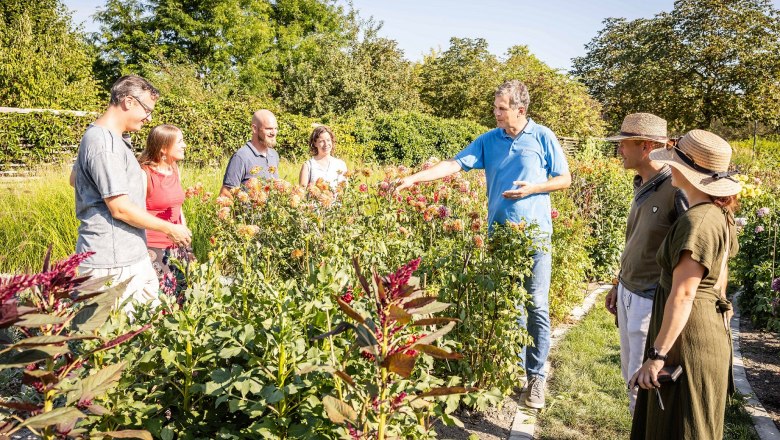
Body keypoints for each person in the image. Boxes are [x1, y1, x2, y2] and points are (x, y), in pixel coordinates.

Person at [395, 79, 571, 409]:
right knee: (511, 306)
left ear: (521, 109)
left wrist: (532, 189)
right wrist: (414, 178)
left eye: (501, 109)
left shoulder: (543, 136)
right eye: (495, 107)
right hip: (500, 237)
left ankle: (536, 378)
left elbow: (564, 178)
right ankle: (516, 371)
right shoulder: (489, 140)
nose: (496, 113)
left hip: (535, 238)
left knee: (536, 303)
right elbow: (454, 164)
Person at [629, 129, 741, 439]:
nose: (669, 167)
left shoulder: (697, 222)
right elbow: (720, 277)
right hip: (703, 329)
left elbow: (683, 295)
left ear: (687, 171)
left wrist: (657, 356)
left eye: (674, 161)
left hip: (688, 339)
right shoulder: (717, 214)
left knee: (681, 425)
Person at [71, 75, 192, 315]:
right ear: (128, 102)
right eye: (147, 109)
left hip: (131, 255)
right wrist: (170, 229)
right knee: (119, 340)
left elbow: (75, 179)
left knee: (149, 329)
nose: (149, 117)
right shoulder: (103, 143)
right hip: (112, 263)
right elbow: (120, 208)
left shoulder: (114, 140)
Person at [603, 113, 688, 415]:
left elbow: (687, 255)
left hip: (649, 300)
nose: (619, 150)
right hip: (628, 291)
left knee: (644, 385)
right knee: (630, 376)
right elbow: (636, 240)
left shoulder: (677, 192)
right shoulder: (643, 183)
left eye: (624, 144)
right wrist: (617, 282)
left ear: (647, 146)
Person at [138, 124, 193, 297]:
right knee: (164, 298)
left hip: (178, 243)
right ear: (163, 148)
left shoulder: (174, 168)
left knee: (184, 295)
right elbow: (136, 212)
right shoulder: (144, 174)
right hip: (154, 247)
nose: (184, 145)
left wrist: (187, 243)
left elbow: (178, 207)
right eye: (180, 142)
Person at [220, 109, 280, 198]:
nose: (273, 133)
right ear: (254, 128)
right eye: (268, 129)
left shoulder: (274, 155)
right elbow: (225, 194)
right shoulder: (241, 157)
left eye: (275, 128)